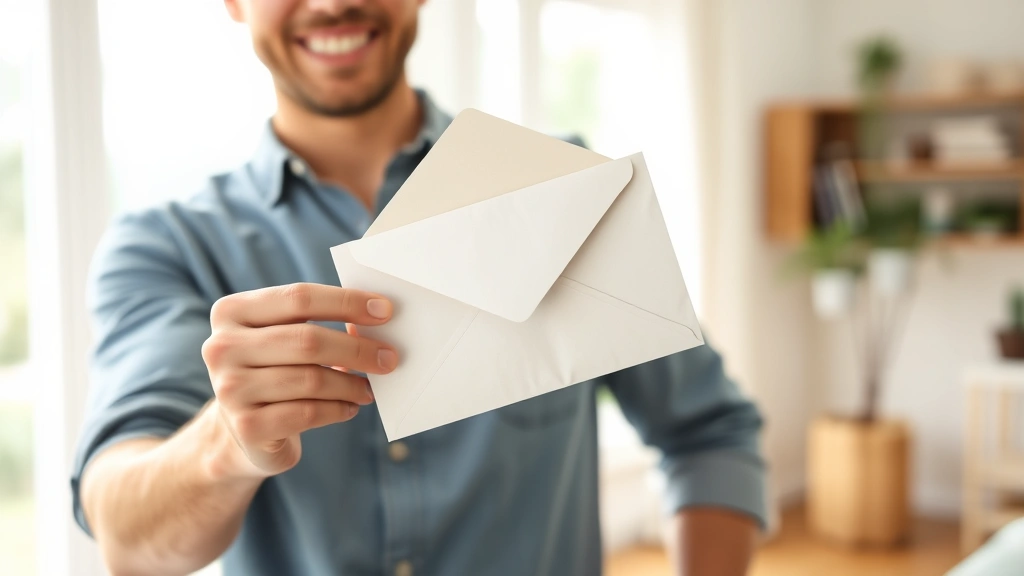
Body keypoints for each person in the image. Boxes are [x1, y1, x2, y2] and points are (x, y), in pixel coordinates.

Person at [72, 1, 767, 575]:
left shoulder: (565, 193)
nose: (331, 3)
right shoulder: (165, 248)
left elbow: (709, 430)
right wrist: (224, 442)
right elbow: (126, 537)